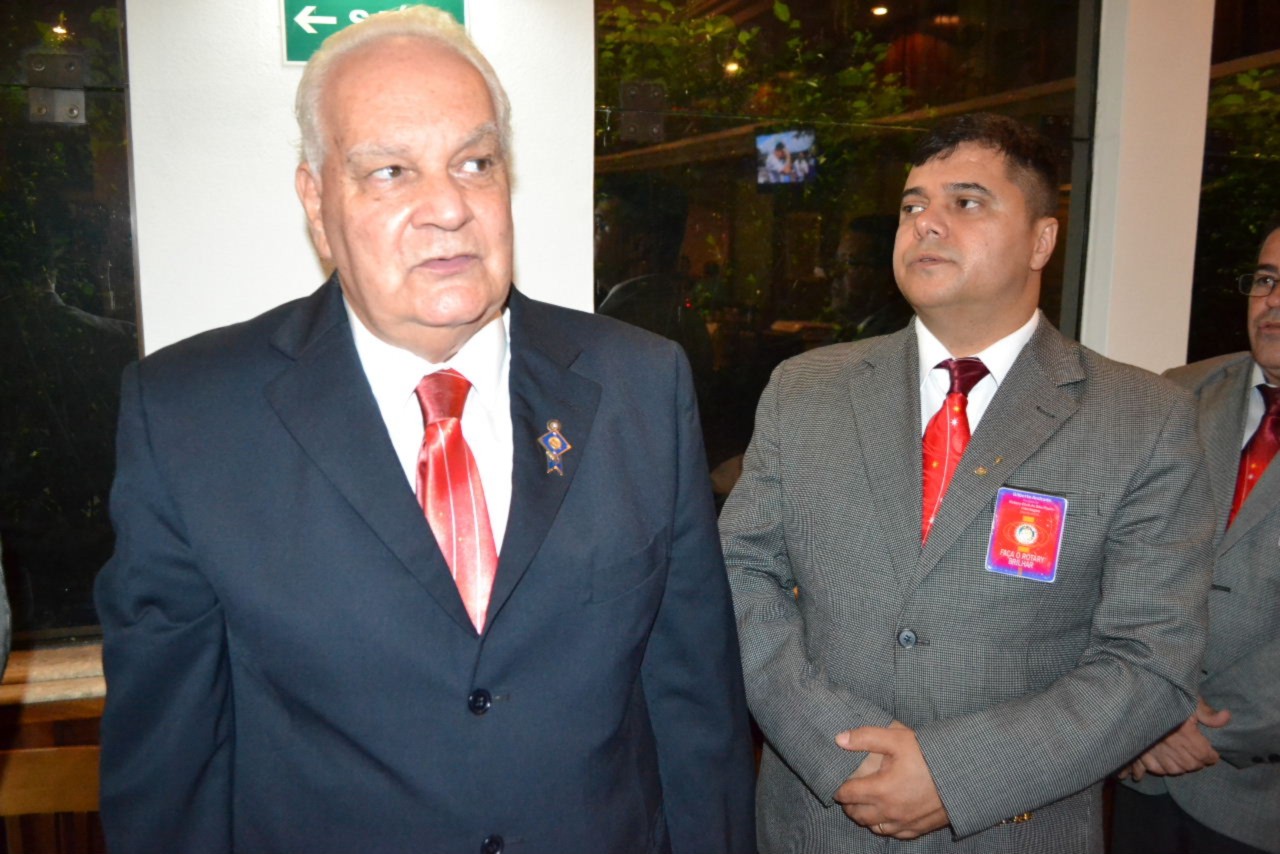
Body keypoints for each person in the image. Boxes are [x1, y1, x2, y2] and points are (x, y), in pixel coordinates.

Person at [94, 8, 755, 853]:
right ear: (317, 201)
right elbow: (169, 771)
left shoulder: (640, 385)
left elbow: (696, 712)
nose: (447, 207)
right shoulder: (191, 417)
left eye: (475, 163)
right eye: (390, 171)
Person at [719, 112, 1214, 852]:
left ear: (1042, 240)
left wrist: (955, 775)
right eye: (913, 205)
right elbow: (739, 578)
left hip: (1013, 829)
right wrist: (838, 749)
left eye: (967, 202)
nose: (927, 222)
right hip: (818, 820)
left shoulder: (1142, 420)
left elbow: (1150, 661)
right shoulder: (807, 391)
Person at [1112, 221, 1280, 854]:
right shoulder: (1179, 393)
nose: (1273, 302)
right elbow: (1110, 560)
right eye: (1266, 280)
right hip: (1140, 776)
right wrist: (1141, 714)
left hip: (1259, 798)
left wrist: (1200, 731)